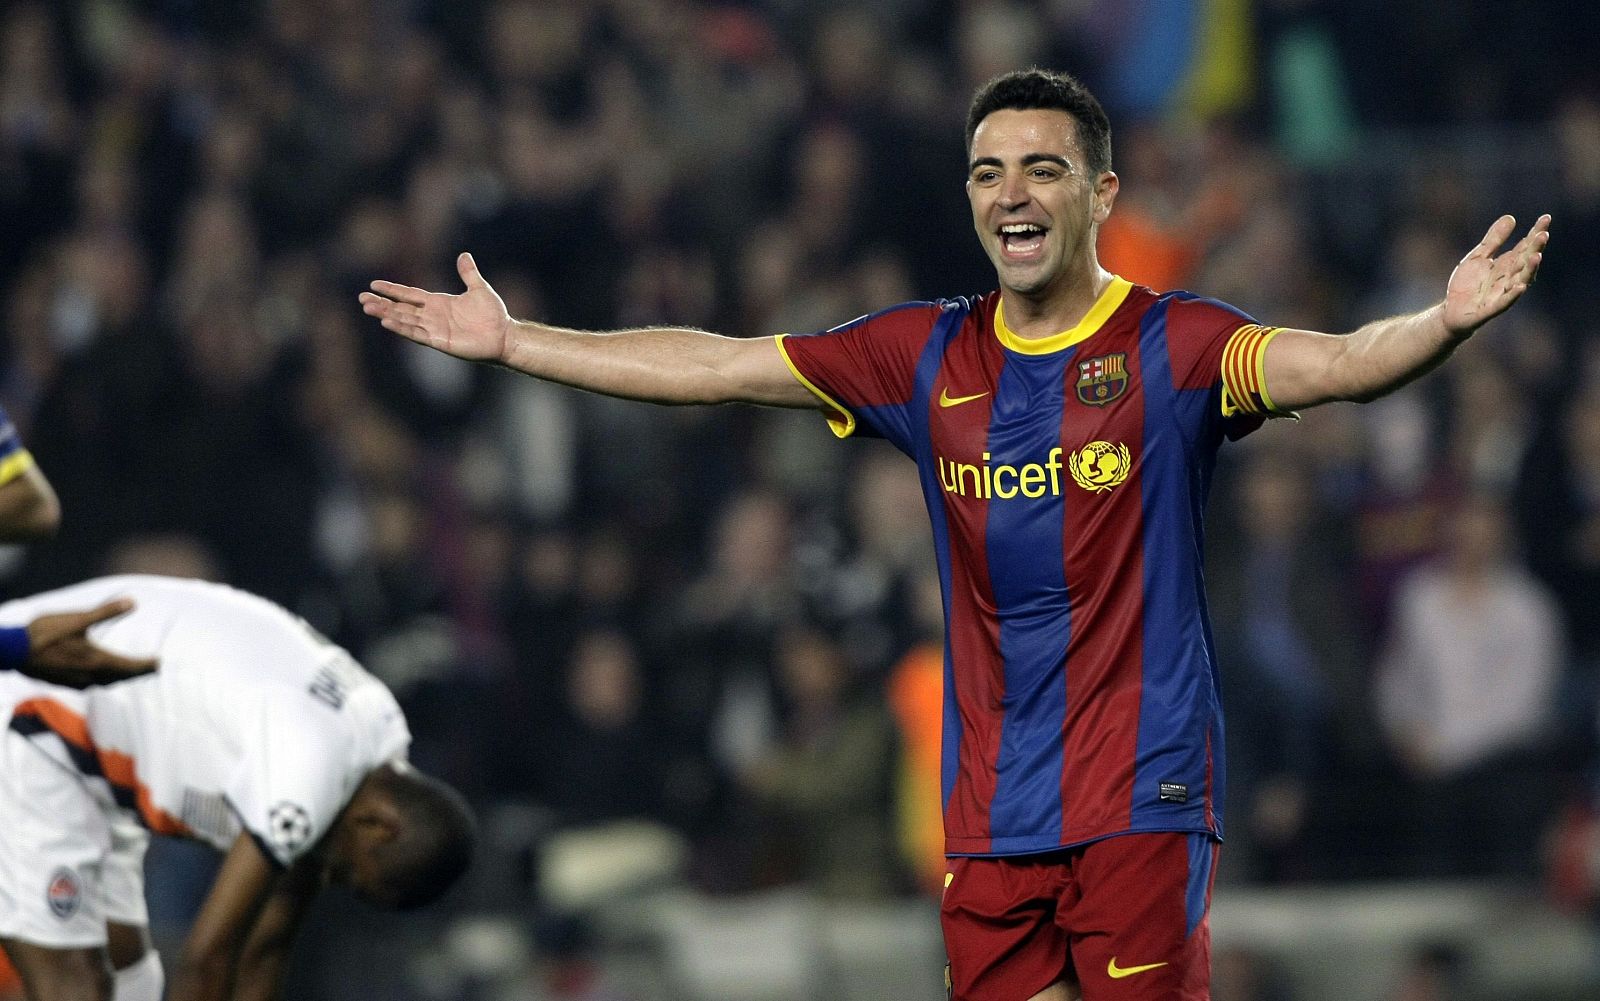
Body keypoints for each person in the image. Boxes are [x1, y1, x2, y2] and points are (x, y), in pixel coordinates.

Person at [360, 68, 1548, 1001]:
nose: (1011, 193)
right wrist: (521, 344)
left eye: (1042, 168)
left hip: (1142, 791)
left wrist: (1437, 324)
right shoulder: (921, 355)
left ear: (1100, 195)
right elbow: (718, 366)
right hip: (988, 812)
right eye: (987, 172)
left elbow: (1338, 364)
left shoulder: (1174, 345)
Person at [0, 574, 475, 1001]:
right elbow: (207, 960)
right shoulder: (308, 776)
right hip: (37, 704)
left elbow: (264, 947)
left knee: (133, 982)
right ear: (380, 826)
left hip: (96, 754)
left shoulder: (376, 739)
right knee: (77, 982)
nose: (331, 877)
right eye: (350, 873)